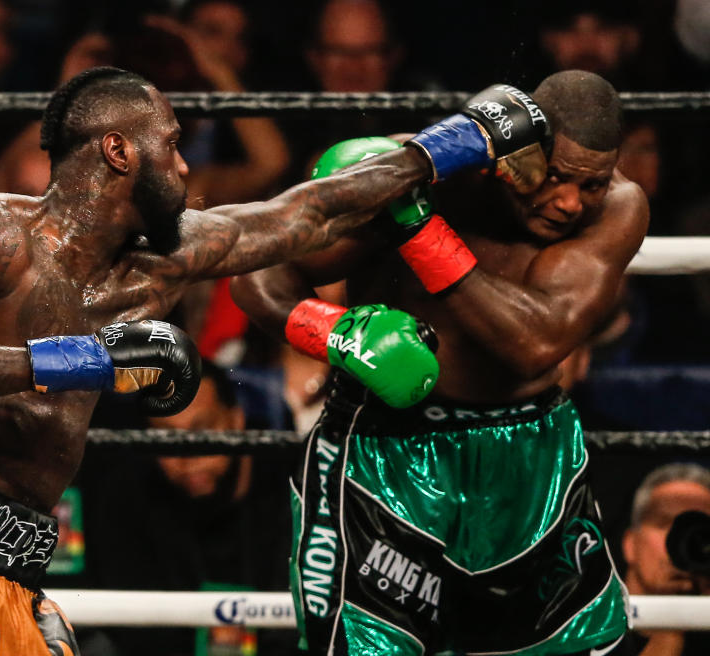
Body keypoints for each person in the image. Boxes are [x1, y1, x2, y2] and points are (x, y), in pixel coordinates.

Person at [0, 65, 441, 656]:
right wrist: (83, 359)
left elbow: (305, 213)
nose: (184, 162)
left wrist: (445, 148)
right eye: (170, 143)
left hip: (11, 565)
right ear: (119, 152)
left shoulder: (162, 264)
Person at [231, 69, 648, 655]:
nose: (569, 203)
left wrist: (417, 226)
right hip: (388, 452)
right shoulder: (411, 174)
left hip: (530, 456)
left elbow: (538, 341)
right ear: (516, 154)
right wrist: (334, 332)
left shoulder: (619, 209)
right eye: (555, 176)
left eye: (593, 184)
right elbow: (258, 268)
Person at [75, 359, 298, 655]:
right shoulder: (128, 491)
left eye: (201, 431)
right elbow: (134, 633)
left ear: (236, 420)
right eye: (168, 438)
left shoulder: (292, 485)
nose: (188, 455)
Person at [621, 463, 710, 655]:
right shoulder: (583, 629)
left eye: (698, 527)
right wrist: (672, 626)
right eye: (664, 523)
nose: (682, 540)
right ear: (630, 544)